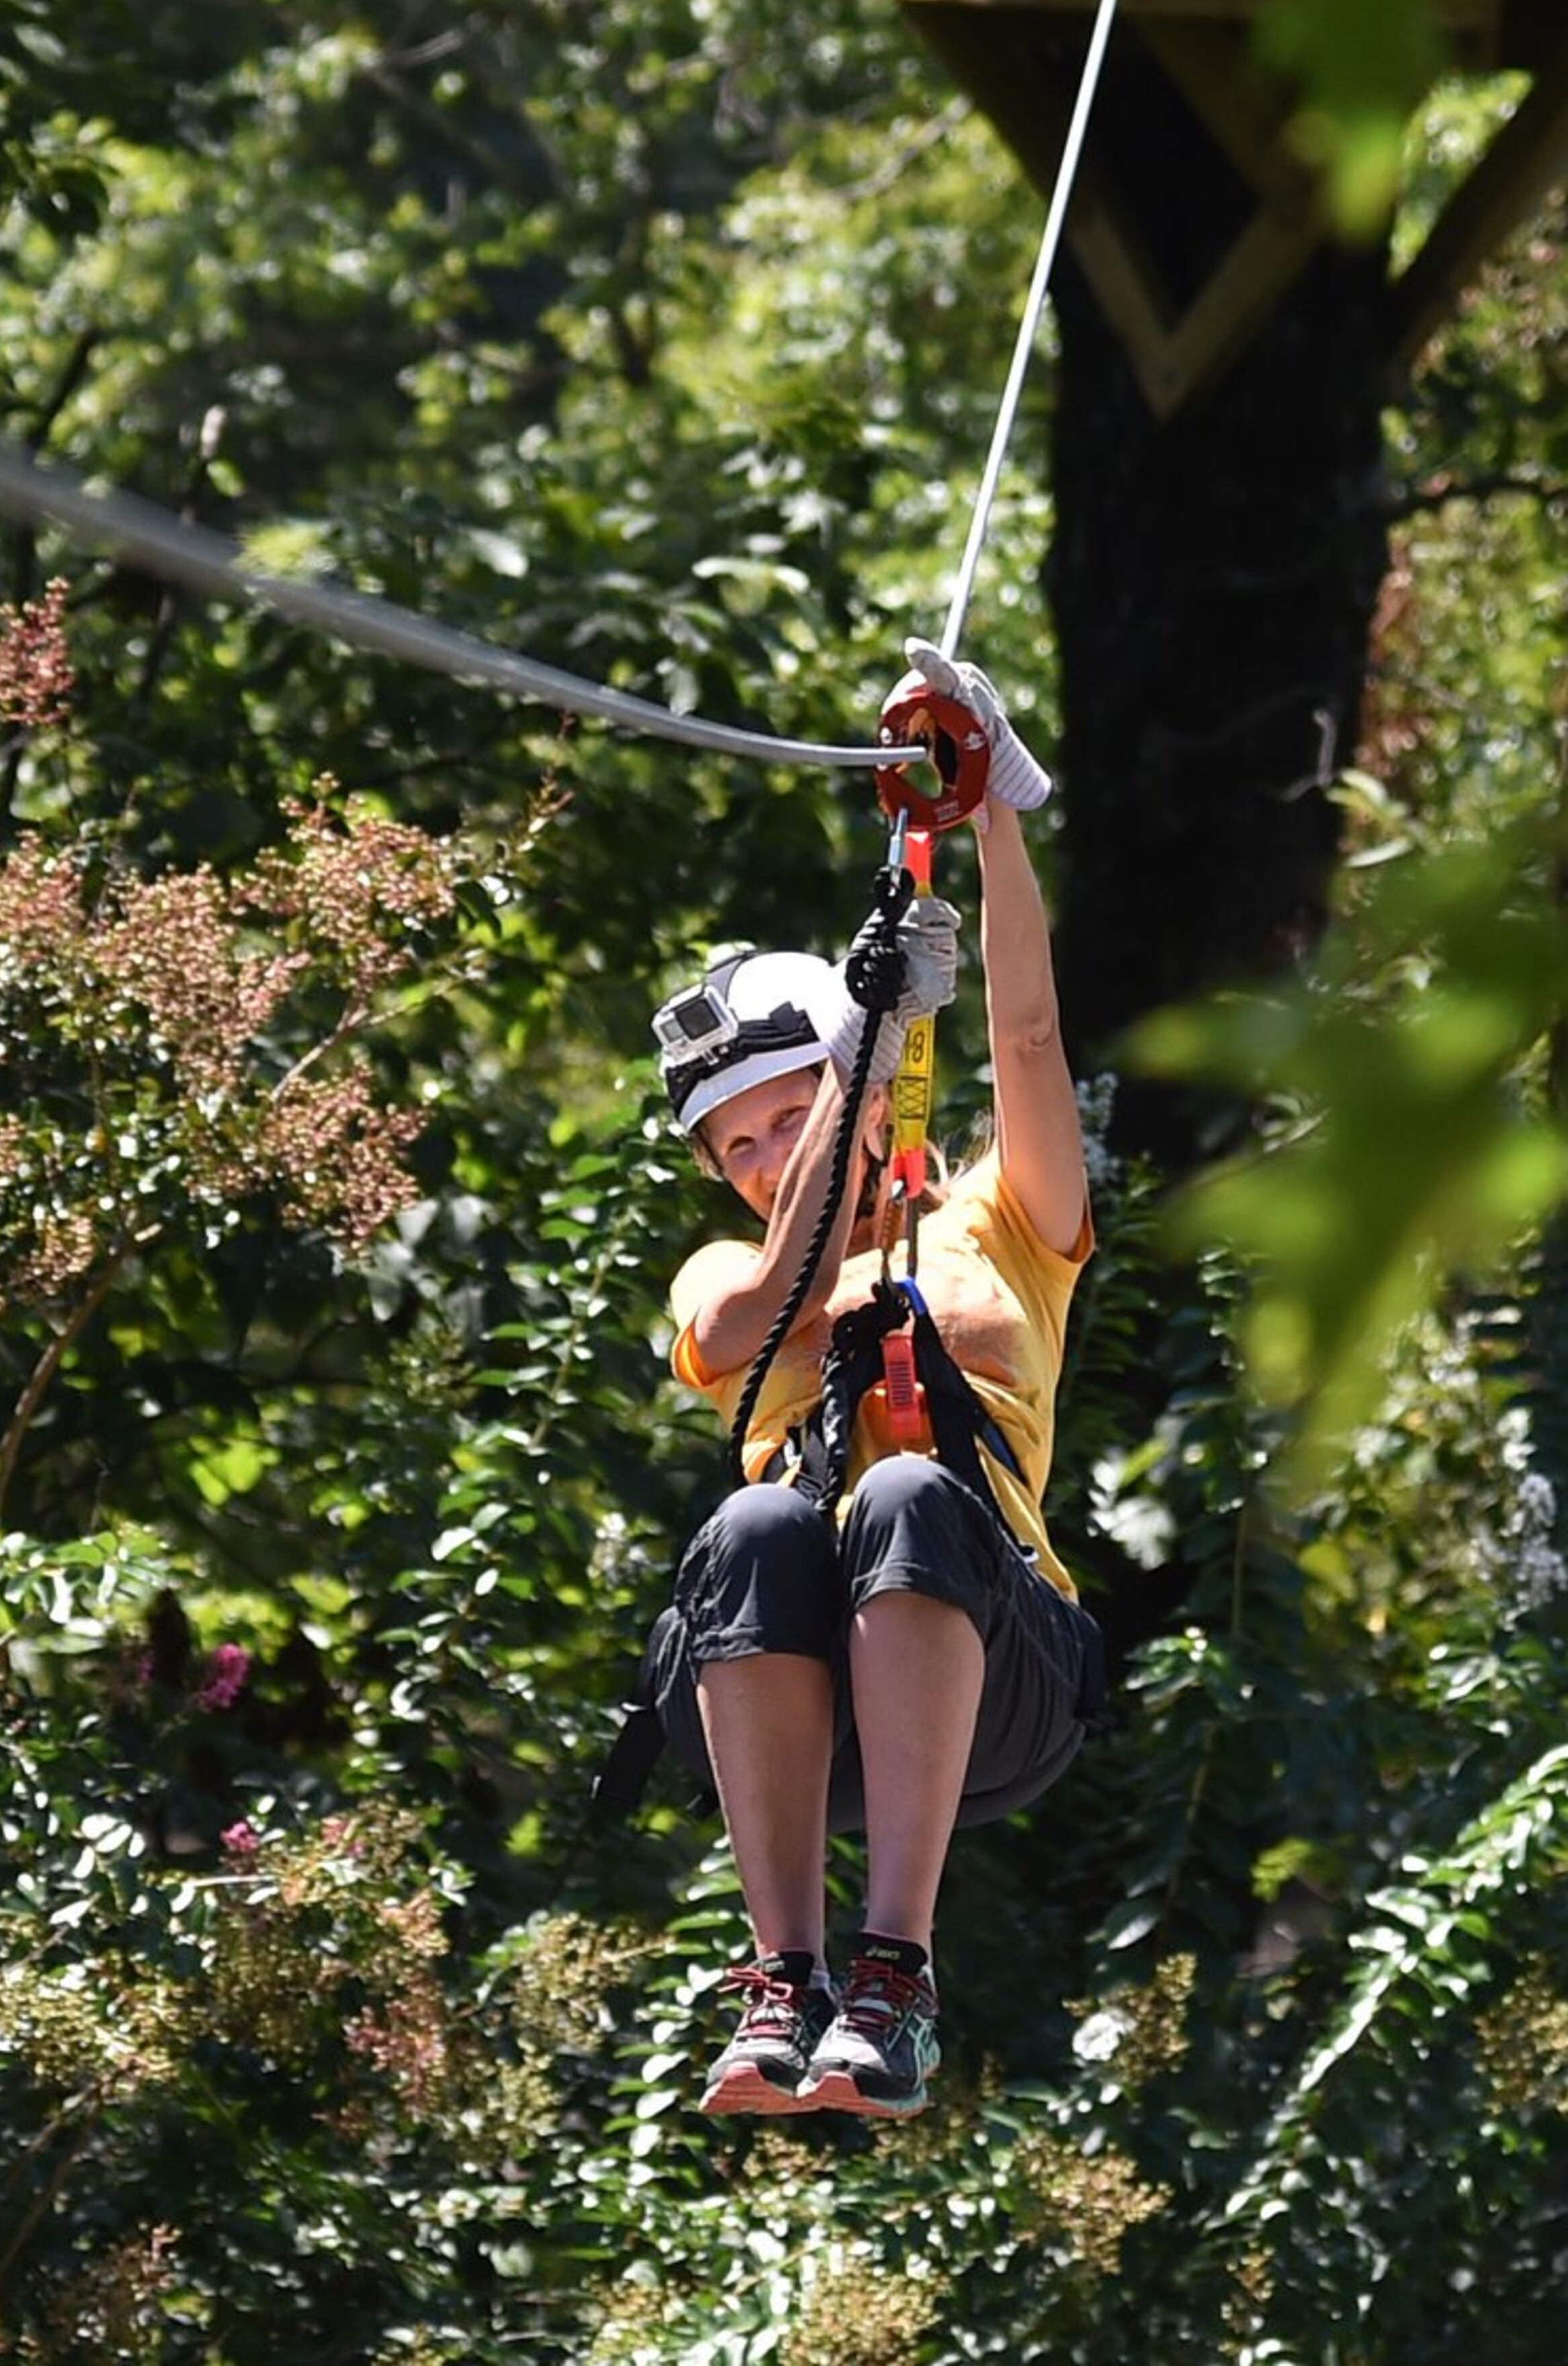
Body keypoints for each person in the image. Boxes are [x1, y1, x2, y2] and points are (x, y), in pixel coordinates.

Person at [642, 642, 1103, 2120]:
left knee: (910, 1484)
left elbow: (1027, 1038)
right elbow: (758, 1307)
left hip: (998, 1671)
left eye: (789, 1114)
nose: (772, 1157)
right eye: (743, 1148)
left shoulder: (1004, 1225)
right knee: (757, 1525)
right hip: (789, 1691)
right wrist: (866, 1051)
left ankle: (894, 1972)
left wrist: (997, 814)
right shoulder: (725, 1280)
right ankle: (783, 1975)